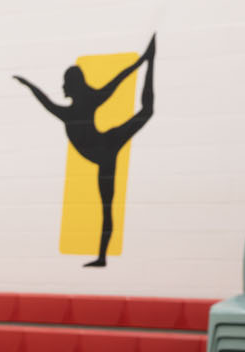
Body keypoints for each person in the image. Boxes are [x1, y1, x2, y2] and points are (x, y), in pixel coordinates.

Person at [16, 35, 156, 268]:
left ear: (72, 85)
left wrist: (142, 62)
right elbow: (46, 100)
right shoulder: (72, 111)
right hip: (105, 150)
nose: (62, 87)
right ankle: (101, 257)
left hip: (106, 147)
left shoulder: (77, 108)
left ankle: (151, 61)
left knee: (147, 111)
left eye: (64, 82)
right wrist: (28, 85)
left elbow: (118, 81)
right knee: (106, 207)